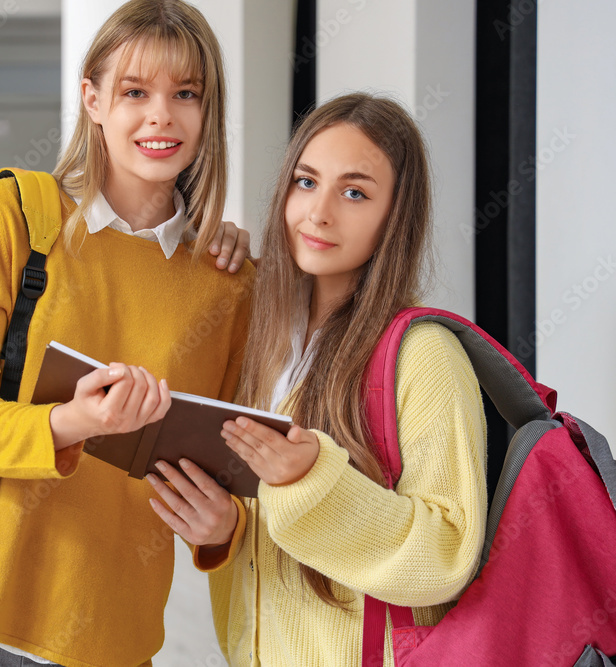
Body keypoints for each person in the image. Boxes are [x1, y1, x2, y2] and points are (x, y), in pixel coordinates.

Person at [0, 2, 255, 666]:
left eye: (185, 94)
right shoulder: (14, 214)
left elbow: (224, 467)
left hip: (109, 637)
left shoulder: (229, 282)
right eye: (135, 91)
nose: (161, 115)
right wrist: (71, 421)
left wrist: (226, 526)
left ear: (208, 110)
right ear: (93, 100)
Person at [147, 93, 488, 665]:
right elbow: (275, 537)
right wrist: (225, 529)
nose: (319, 212)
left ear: (395, 218)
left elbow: (448, 555)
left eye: (354, 193)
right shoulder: (258, 342)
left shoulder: (424, 356)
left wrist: (314, 480)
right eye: (306, 182)